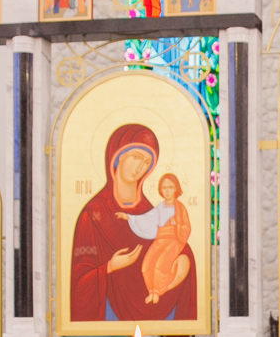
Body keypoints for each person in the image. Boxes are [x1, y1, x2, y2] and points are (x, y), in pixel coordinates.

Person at [70, 124, 197, 323]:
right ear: (117, 156)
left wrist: (184, 260)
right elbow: (79, 281)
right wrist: (110, 266)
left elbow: (175, 243)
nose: (140, 168)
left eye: (147, 162)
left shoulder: (151, 212)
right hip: (108, 322)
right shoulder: (93, 214)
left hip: (159, 317)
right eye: (136, 157)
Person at [133, 174, 193, 306]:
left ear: (176, 189)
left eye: (170, 187)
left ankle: (158, 292)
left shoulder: (180, 208)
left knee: (160, 265)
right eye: (164, 188)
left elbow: (186, 227)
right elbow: (147, 219)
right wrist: (130, 217)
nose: (167, 191)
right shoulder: (160, 207)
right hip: (160, 239)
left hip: (175, 240)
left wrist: (175, 224)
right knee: (146, 266)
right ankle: (151, 291)